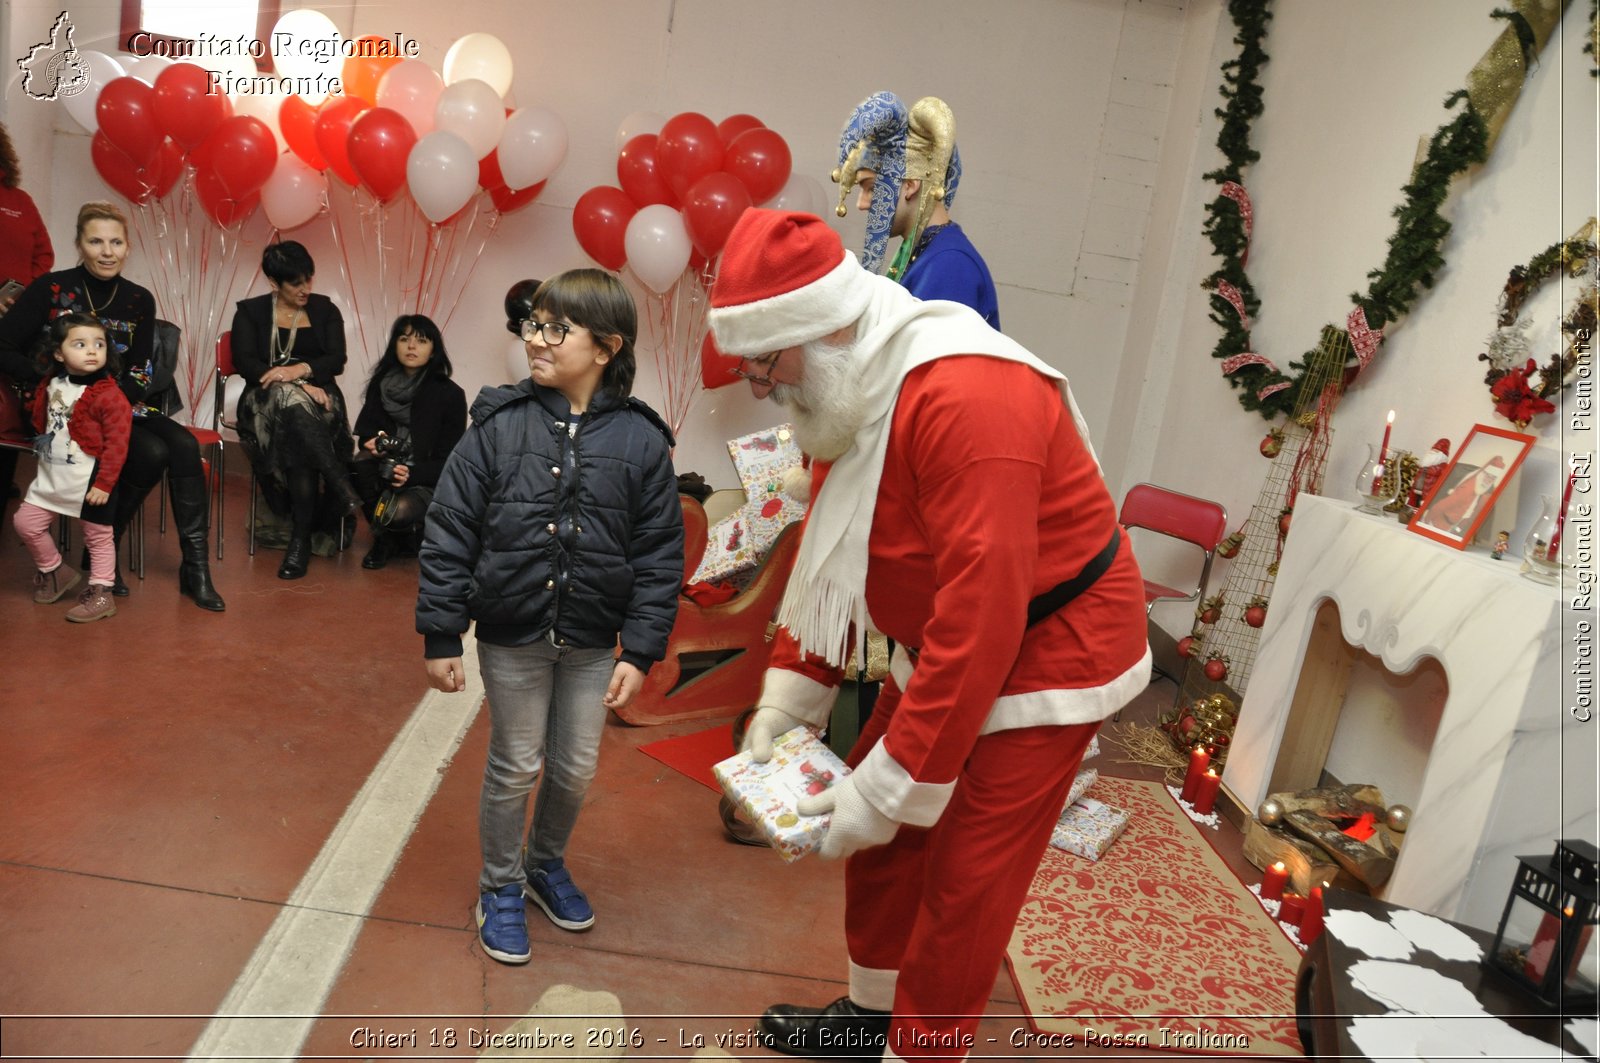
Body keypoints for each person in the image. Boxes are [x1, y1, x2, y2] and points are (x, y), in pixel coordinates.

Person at [706, 210, 1150, 1060]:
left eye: (766, 358)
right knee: (889, 854)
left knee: (965, 886)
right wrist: (789, 700)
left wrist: (885, 784)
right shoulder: (850, 380)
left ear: (826, 326)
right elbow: (831, 559)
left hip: (1054, 649)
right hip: (949, 638)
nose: (758, 383)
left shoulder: (970, 395)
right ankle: (872, 1018)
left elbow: (983, 613)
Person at [416, 268, 683, 966]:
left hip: (595, 642)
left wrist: (640, 649)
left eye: (555, 328)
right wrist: (442, 631)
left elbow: (659, 554)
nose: (535, 339)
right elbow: (449, 528)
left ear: (605, 346)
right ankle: (499, 884)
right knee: (515, 764)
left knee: (574, 767)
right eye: (532, 324)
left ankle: (542, 863)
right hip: (513, 635)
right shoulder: (497, 426)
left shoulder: (643, 442)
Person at [0, 200, 225, 610]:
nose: (107, 251)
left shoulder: (139, 298)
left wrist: (115, 402)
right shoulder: (51, 288)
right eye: (97, 241)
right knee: (152, 452)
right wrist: (46, 379)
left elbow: (140, 368)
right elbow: (4, 344)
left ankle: (195, 567)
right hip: (63, 410)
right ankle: (105, 545)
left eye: (116, 242)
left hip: (117, 402)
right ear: (80, 245)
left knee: (185, 445)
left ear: (127, 248)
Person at [231, 240, 361, 580]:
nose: (305, 289)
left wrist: (299, 371)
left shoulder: (324, 310)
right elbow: (246, 364)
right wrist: (297, 383)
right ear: (274, 283)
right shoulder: (250, 312)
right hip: (263, 401)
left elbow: (336, 360)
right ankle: (339, 488)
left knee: (299, 424)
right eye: (295, 283)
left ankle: (300, 542)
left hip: (320, 399)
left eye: (309, 279)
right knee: (292, 405)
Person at [833, 93, 999, 328]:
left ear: (910, 185)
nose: (861, 204)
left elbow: (935, 363)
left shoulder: (950, 265)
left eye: (871, 188)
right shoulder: (922, 253)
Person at [13, 312, 131, 623]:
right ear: (58, 352)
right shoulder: (52, 383)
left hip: (90, 481)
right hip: (52, 477)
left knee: (98, 538)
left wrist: (104, 484)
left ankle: (102, 592)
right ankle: (55, 571)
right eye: (80, 344)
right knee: (26, 522)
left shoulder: (109, 396)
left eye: (99, 344)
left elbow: (118, 444)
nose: (92, 351)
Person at [351, 315, 466, 569]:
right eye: (404, 339)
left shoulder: (450, 395)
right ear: (395, 345)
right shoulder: (382, 384)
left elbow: (450, 460)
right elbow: (366, 432)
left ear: (434, 349)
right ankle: (383, 540)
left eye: (421, 341)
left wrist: (410, 474)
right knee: (359, 464)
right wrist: (374, 443)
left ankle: (409, 532)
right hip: (385, 469)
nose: (411, 347)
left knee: (398, 512)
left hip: (424, 477)